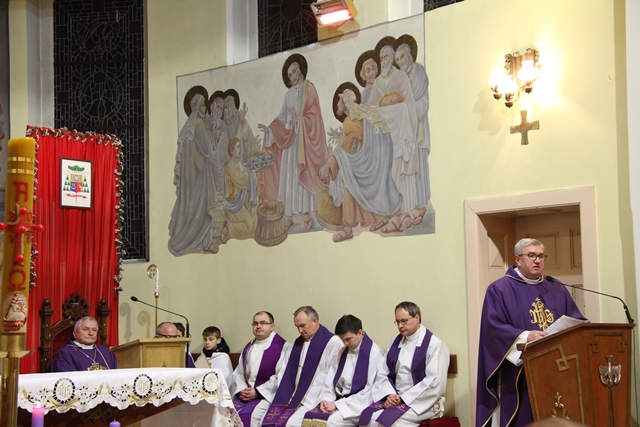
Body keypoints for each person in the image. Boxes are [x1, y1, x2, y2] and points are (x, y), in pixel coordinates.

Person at [476, 238, 587, 427]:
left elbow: (574, 319)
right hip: (520, 373)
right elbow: (493, 329)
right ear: (518, 259)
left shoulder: (555, 286)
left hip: (557, 369)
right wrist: (527, 336)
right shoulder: (499, 289)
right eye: (531, 256)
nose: (537, 260)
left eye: (541, 256)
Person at [318, 85, 402, 242]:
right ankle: (383, 218)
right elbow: (352, 146)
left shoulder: (352, 120)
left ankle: (348, 228)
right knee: (355, 175)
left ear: (345, 102)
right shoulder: (357, 116)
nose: (337, 104)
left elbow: (346, 146)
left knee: (348, 177)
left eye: (339, 100)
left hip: (373, 158)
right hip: (375, 156)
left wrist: (330, 163)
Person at [258, 54, 328, 231]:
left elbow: (315, 116)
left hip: (304, 141)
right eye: (290, 75)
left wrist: (299, 120)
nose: (293, 77)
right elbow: (282, 117)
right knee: (289, 178)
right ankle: (289, 216)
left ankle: (306, 213)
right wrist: (270, 130)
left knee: (302, 174)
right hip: (291, 142)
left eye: (295, 71)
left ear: (301, 70)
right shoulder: (288, 94)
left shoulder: (309, 89)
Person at [359, 301, 449, 427]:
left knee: (387, 422)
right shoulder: (394, 342)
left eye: (404, 321)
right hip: (396, 397)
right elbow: (383, 373)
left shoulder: (434, 344)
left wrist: (403, 398)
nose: (400, 326)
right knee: (368, 418)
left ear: (416, 318)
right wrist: (389, 395)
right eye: (397, 322)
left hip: (423, 403)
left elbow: (434, 382)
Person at [365, 38, 419, 233]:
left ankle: (402, 215)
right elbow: (371, 107)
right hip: (384, 141)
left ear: (393, 58)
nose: (383, 61)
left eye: (386, 57)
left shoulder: (401, 77)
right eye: (381, 58)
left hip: (400, 136)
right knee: (384, 174)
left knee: (398, 170)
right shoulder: (378, 82)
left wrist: (395, 107)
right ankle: (386, 216)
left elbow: (409, 104)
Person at [262, 306, 342, 427]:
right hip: (292, 396)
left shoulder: (333, 343)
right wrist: (287, 395)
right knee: (266, 420)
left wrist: (319, 398)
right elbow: (284, 371)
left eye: (303, 325)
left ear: (315, 321)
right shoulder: (296, 343)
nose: (300, 330)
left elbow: (330, 375)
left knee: (290, 423)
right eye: (297, 327)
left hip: (312, 398)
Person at [303, 314, 383, 427]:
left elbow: (369, 391)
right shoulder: (342, 352)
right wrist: (326, 399)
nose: (345, 343)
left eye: (348, 339)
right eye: (342, 340)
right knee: (308, 419)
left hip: (357, 405)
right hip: (339, 400)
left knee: (327, 423)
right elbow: (330, 381)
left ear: (360, 332)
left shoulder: (374, 354)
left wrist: (338, 405)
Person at [168, 89, 218, 256]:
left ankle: (199, 242)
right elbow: (207, 149)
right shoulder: (198, 124)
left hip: (192, 177)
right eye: (203, 105)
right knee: (201, 209)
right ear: (196, 107)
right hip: (200, 175)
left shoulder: (188, 127)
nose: (205, 108)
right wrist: (212, 133)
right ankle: (200, 242)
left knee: (192, 208)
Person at [394, 36, 430, 226]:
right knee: (406, 167)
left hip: (418, 127)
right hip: (405, 131)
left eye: (402, 57)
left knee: (420, 167)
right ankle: (409, 208)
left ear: (409, 55)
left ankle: (420, 205)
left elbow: (421, 102)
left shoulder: (419, 72)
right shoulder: (400, 79)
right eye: (398, 59)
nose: (400, 61)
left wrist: (407, 109)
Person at [233, 311, 291, 427]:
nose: (258, 326)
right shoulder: (248, 347)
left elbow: (281, 376)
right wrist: (242, 390)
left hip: (267, 396)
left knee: (254, 416)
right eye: (255, 323)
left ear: (272, 326)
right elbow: (239, 373)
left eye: (263, 323)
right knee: (226, 412)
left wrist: (257, 392)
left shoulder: (283, 347)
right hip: (245, 395)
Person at [50, 316, 117, 372]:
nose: (91, 333)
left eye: (94, 330)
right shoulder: (65, 353)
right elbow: (68, 380)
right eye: (86, 329)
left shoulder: (106, 352)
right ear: (75, 333)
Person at [224, 137, 258, 240]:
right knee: (248, 227)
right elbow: (241, 179)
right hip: (233, 203)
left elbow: (253, 182)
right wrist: (251, 173)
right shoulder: (229, 167)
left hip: (241, 200)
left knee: (254, 215)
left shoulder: (239, 165)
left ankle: (238, 230)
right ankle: (229, 228)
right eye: (238, 147)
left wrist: (252, 173)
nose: (240, 149)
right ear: (232, 150)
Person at [194, 326, 235, 394]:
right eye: (205, 339)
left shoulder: (223, 357)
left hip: (218, 392)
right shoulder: (201, 357)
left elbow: (227, 379)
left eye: (211, 339)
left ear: (218, 340)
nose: (207, 342)